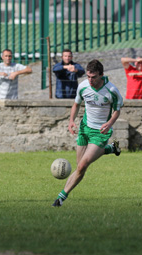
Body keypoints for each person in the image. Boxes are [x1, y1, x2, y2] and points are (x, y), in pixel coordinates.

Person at [52, 60, 123, 207]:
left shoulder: (112, 90)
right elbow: (76, 104)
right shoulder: (83, 86)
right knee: (80, 165)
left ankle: (60, 198)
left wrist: (109, 123)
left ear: (102, 75)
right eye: (89, 76)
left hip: (101, 132)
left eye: (94, 77)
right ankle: (111, 149)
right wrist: (71, 120)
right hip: (85, 128)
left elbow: (117, 110)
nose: (90, 80)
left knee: (82, 165)